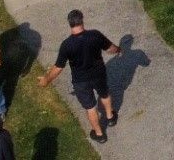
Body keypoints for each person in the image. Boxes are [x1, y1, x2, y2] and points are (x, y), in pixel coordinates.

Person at [39, 9, 120, 143]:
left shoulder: (66, 45)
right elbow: (111, 49)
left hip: (80, 81)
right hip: (98, 74)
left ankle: (100, 135)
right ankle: (110, 117)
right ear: (82, 20)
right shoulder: (95, 35)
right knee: (104, 94)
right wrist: (119, 50)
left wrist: (46, 80)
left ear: (70, 23)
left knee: (90, 107)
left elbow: (58, 68)